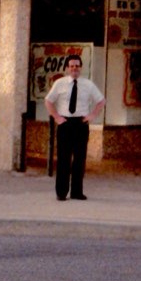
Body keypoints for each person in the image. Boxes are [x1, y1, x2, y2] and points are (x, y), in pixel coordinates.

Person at [44, 54, 105, 201]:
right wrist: (57, 117)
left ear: (81, 67)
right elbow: (48, 101)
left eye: (77, 66)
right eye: (71, 66)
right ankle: (61, 192)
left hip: (80, 124)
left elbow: (101, 101)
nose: (74, 68)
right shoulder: (60, 83)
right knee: (63, 158)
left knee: (79, 159)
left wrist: (92, 116)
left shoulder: (88, 84)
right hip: (65, 124)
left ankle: (77, 192)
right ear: (67, 68)